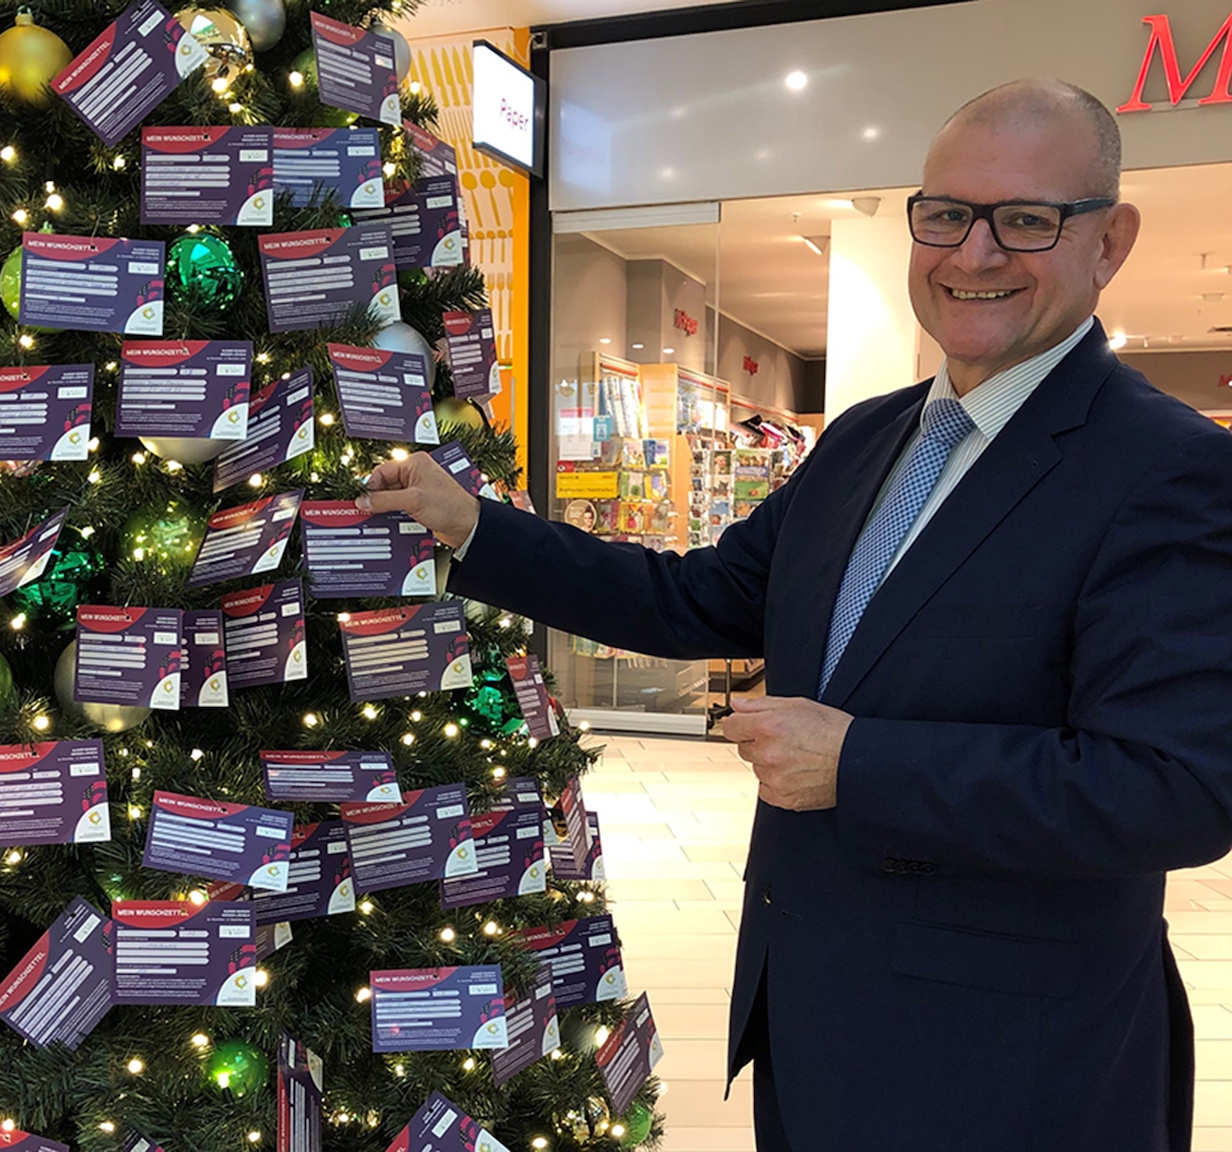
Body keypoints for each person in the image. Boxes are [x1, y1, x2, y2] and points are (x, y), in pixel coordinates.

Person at [357, 80, 1232, 1152]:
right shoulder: (870, 440)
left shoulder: (1171, 470)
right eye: (948, 213)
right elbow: (697, 597)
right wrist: (477, 531)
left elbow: (1176, 788)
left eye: (1029, 220)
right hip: (817, 1017)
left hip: (1011, 1060)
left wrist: (859, 764)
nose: (976, 253)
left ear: (1111, 241)